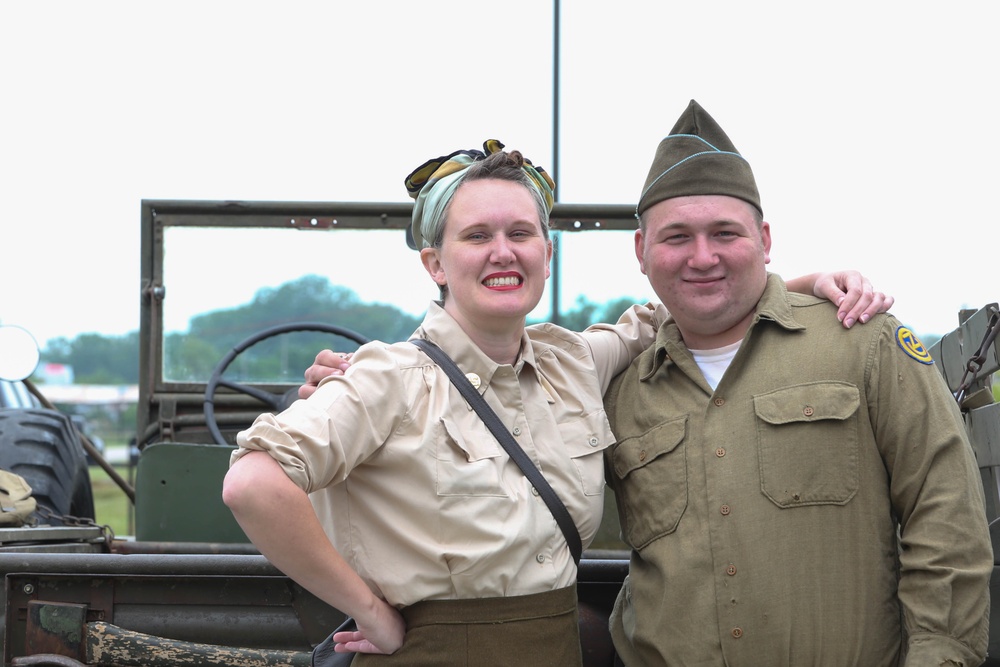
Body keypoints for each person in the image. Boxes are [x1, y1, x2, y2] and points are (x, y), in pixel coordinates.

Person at [225, 139, 890, 666]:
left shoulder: (572, 360)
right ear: (435, 262)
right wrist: (369, 610)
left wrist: (801, 283)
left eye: (521, 232)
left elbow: (678, 306)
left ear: (547, 250)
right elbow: (254, 483)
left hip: (551, 647)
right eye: (477, 235)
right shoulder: (387, 377)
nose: (503, 251)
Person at [602, 100, 992, 666]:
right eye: (677, 237)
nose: (702, 256)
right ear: (641, 251)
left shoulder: (865, 343)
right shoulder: (622, 391)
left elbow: (946, 513)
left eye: (724, 232)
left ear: (764, 238)